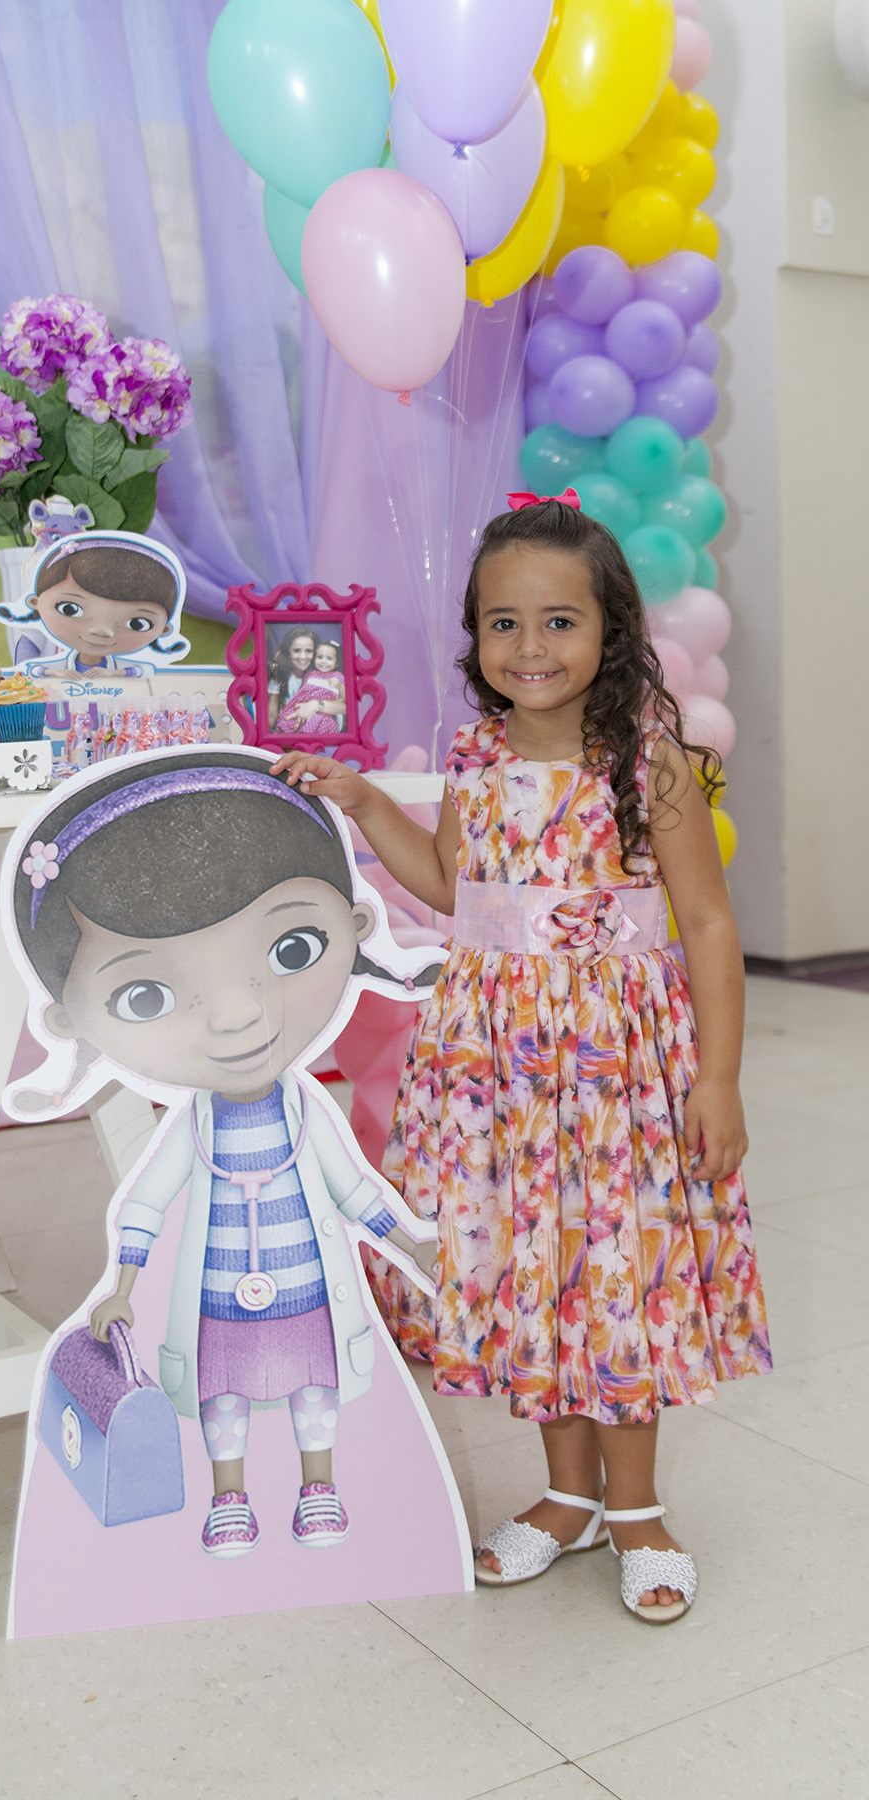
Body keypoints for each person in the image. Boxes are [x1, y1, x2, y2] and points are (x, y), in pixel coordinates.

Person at [273, 492, 772, 1625]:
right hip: (497, 1067)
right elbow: (458, 891)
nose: (530, 646)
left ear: (611, 632)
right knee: (535, 1269)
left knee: (617, 1270)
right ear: (475, 636)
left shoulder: (648, 766)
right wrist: (362, 804)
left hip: (620, 1073)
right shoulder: (477, 755)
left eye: (559, 621)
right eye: (504, 622)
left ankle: (636, 1508)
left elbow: (707, 925)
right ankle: (566, 1497)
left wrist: (718, 1077)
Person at [9, 750, 438, 1559]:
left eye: (291, 950)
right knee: (224, 1404)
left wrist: (411, 1243)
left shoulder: (304, 1114)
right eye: (147, 996)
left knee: (316, 1395)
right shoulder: (195, 1127)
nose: (237, 1017)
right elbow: (145, 1204)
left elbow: (355, 1192)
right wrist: (121, 1289)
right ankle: (230, 1499)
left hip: (306, 1294)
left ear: (355, 928)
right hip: (219, 1306)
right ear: (69, 1020)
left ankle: (318, 1488)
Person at [0, 531, 190, 675]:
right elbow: (28, 669)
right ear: (35, 602)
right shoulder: (58, 664)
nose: (101, 631)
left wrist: (115, 674)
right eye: (70, 609)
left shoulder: (123, 667)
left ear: (164, 629)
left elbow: (146, 671)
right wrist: (55, 673)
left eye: (138, 623)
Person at [277, 637, 346, 736]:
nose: (324, 661)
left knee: (319, 722)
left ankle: (307, 736)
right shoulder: (310, 674)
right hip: (304, 706)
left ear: (337, 663)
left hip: (325, 713)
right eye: (320, 657)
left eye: (329, 658)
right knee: (291, 720)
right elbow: (301, 692)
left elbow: (346, 700)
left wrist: (339, 686)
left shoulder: (338, 676)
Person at [265, 625, 316, 730]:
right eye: (297, 650)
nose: (303, 656)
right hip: (286, 731)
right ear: (288, 652)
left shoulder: (319, 677)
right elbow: (272, 715)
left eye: (308, 651)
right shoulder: (279, 677)